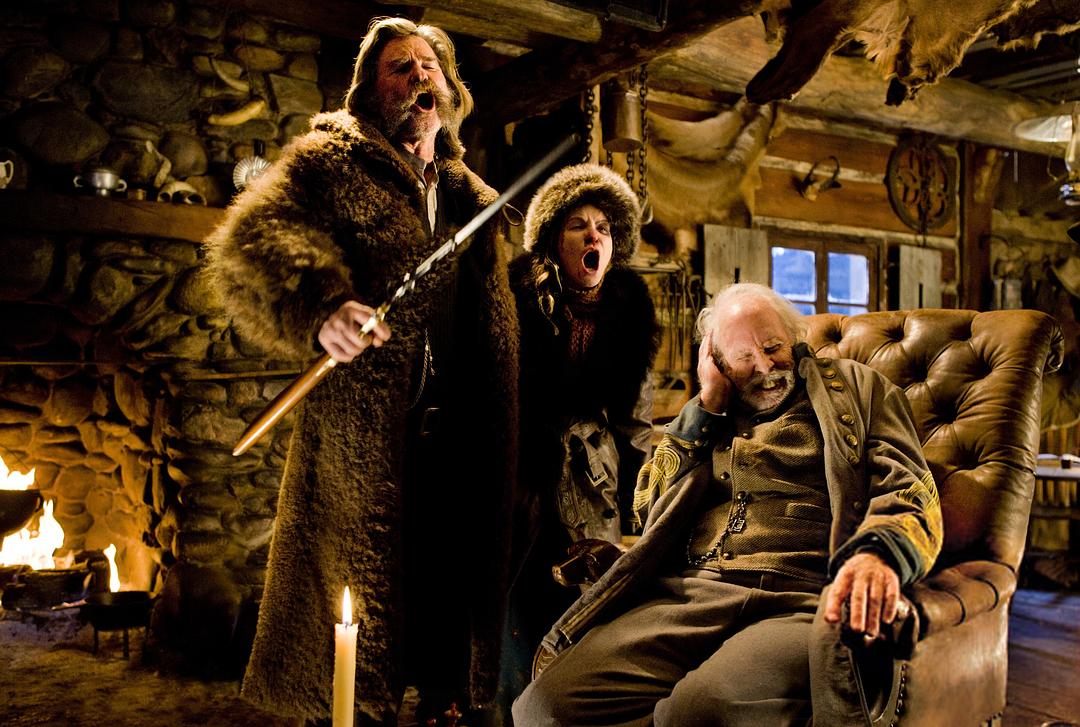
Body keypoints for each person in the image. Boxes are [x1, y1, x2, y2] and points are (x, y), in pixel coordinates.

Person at [204, 17, 518, 727]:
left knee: (445, 610)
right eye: (399, 68)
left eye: (428, 65)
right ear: (371, 93)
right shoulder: (331, 160)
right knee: (355, 625)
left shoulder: (470, 191)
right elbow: (253, 237)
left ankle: (441, 706)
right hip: (364, 440)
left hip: (458, 441)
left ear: (450, 90)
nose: (418, 75)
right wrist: (321, 305)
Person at [512, 283, 943, 726]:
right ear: (717, 362)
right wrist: (706, 405)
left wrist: (878, 555)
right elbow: (647, 508)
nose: (765, 367)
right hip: (690, 594)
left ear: (794, 337)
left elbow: (908, 486)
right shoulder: (709, 414)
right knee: (544, 707)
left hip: (798, 598)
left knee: (697, 711)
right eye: (743, 357)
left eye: (773, 347)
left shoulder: (857, 388)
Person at [499, 164, 658, 710]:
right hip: (520, 477)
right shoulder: (516, 298)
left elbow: (635, 426)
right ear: (552, 240)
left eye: (604, 229)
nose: (594, 236)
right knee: (516, 617)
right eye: (579, 226)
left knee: (583, 617)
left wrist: (645, 505)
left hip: (594, 481)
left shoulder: (630, 312)